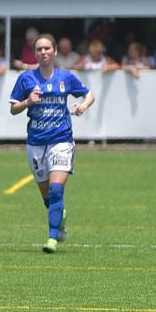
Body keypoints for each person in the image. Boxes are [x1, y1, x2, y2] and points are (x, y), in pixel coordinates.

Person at [9, 33, 95, 253]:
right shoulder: (26, 79)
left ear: (55, 51)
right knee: (48, 197)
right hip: (36, 143)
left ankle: (52, 238)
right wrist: (28, 101)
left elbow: (89, 95)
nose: (43, 52)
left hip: (61, 140)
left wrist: (83, 106)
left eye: (47, 48)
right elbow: (13, 108)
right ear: (35, 53)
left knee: (56, 190)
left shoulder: (66, 77)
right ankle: (60, 216)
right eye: (39, 49)